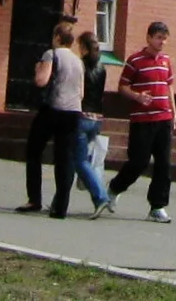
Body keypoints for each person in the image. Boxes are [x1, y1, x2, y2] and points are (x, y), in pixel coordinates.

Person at [17, 21, 85, 216]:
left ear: (57, 37)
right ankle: (61, 206)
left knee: (34, 151)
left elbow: (42, 81)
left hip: (53, 109)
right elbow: (81, 93)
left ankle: (34, 199)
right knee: (65, 158)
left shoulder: (51, 54)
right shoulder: (78, 60)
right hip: (73, 112)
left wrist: (38, 68)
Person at [116, 21, 176, 223]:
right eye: (159, 37)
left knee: (164, 164)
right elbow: (122, 87)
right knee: (138, 161)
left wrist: (174, 114)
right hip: (142, 119)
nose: (162, 42)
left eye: (165, 38)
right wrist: (137, 97)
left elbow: (169, 88)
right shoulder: (135, 60)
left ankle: (157, 206)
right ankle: (114, 188)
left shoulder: (166, 61)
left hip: (164, 118)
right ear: (149, 38)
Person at [65, 29, 117, 219]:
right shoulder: (102, 68)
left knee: (80, 160)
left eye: (80, 46)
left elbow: (79, 92)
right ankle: (60, 201)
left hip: (81, 116)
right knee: (85, 159)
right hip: (97, 118)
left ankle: (100, 197)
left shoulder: (80, 66)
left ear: (84, 47)